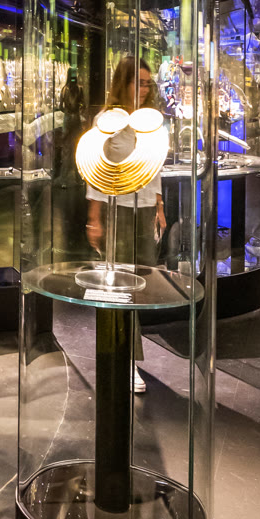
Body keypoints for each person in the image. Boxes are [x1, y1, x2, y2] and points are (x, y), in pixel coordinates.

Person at [84, 55, 165, 393]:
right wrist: (94, 218)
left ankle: (124, 349)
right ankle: (127, 358)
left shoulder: (151, 120)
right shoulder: (107, 120)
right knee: (121, 286)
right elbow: (95, 170)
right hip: (117, 210)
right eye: (138, 83)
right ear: (124, 83)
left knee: (141, 283)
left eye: (147, 84)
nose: (144, 89)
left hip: (144, 210)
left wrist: (159, 206)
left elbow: (155, 166)